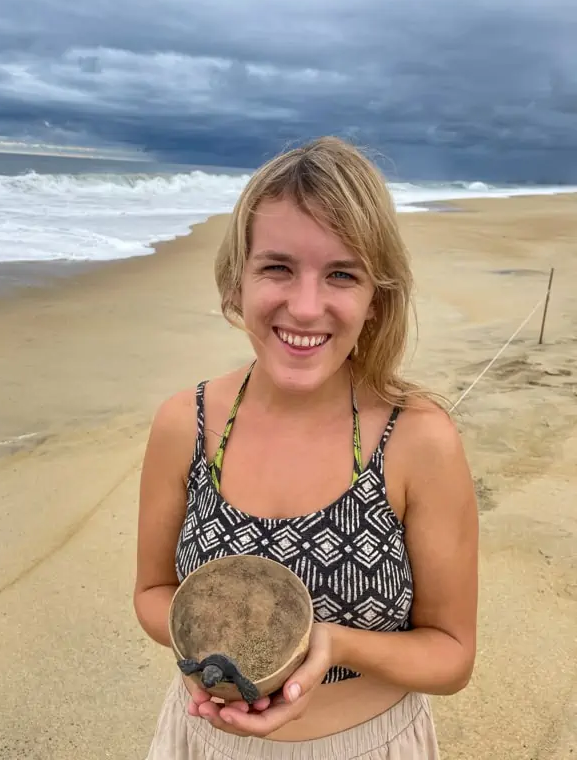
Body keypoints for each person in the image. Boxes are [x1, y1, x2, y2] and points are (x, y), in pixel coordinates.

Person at [134, 136, 479, 759]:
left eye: (341, 274)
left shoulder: (418, 440)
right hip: (203, 742)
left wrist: (332, 644)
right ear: (237, 279)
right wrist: (203, 663)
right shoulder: (184, 423)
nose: (306, 305)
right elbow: (153, 594)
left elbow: (452, 655)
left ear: (375, 299)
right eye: (278, 267)